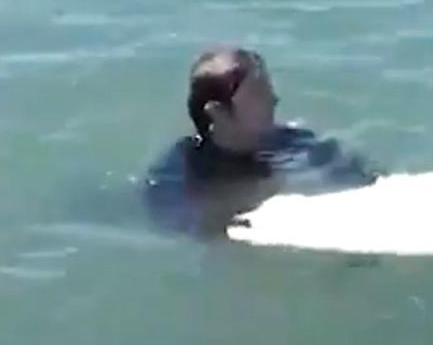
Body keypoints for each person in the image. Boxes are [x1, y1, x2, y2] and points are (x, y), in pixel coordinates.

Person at [141, 45, 378, 237]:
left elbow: (361, 179)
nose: (274, 99)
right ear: (218, 112)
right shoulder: (180, 171)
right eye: (258, 93)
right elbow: (177, 224)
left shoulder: (295, 143)